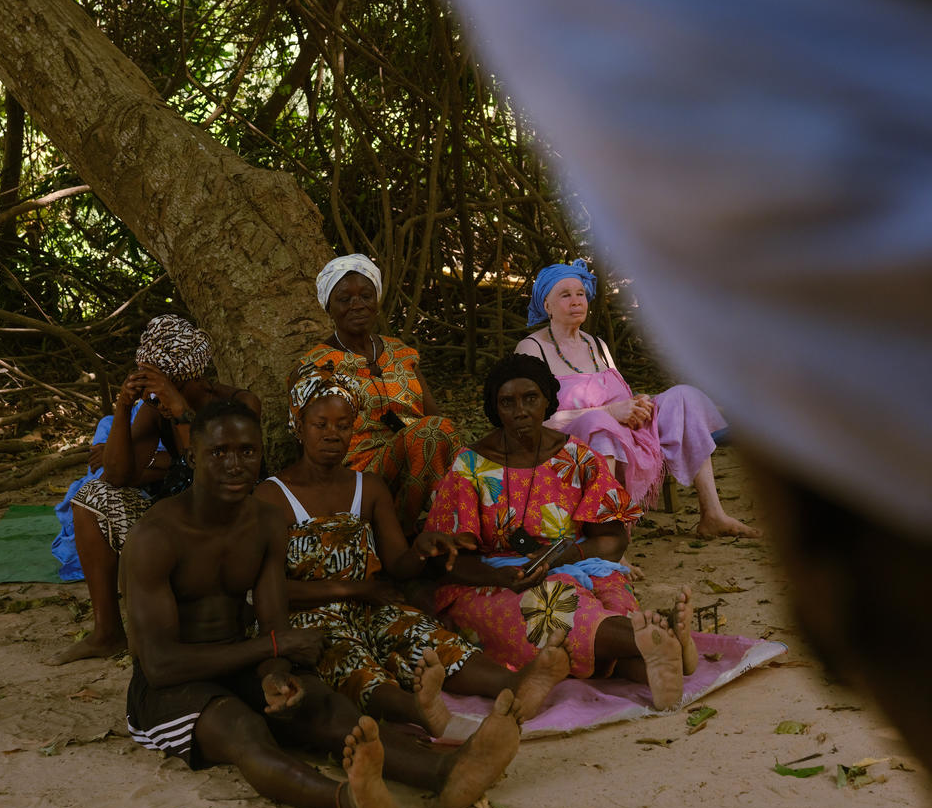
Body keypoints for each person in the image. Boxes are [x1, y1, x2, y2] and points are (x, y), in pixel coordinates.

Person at [404, 0, 932, 808]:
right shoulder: (481, 455)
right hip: (528, 579)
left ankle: (650, 602)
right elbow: (457, 558)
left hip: (588, 536)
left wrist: (608, 441)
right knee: (554, 629)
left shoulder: (578, 376)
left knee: (644, 477)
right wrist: (536, 551)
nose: (566, 323)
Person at [121, 398, 527, 808]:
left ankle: (444, 773)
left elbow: (273, 616)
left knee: (328, 709)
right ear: (192, 457)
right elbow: (161, 663)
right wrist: (272, 647)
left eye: (246, 452)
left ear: (261, 454)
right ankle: (349, 802)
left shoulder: (263, 521)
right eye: (218, 452)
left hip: (241, 657)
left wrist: (274, 673)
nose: (234, 464)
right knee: (243, 730)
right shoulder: (156, 536)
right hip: (171, 686)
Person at [254, 362, 570, 734]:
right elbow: (270, 592)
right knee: (350, 660)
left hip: (373, 606)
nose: (332, 435)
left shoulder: (367, 487)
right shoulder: (272, 496)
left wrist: (421, 548)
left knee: (429, 640)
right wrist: (356, 589)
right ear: (299, 426)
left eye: (342, 426)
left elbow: (399, 565)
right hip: (311, 616)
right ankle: (424, 713)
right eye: (320, 425)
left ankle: (516, 685)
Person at [426, 354, 699, 711]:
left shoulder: (578, 458)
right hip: (496, 582)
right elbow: (449, 560)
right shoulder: (469, 466)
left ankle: (651, 652)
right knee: (554, 609)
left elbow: (613, 539)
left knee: (609, 599)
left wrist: (568, 555)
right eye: (507, 402)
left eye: (530, 398)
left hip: (578, 564)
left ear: (547, 401)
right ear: (494, 409)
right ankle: (659, 640)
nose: (520, 410)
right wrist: (503, 576)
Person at [55, 314, 260, 664]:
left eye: (159, 384)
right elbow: (115, 476)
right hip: (173, 528)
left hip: (226, 529)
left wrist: (182, 414)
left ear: (188, 377)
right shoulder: (154, 409)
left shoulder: (240, 405)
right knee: (90, 498)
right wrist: (123, 407)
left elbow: (215, 481)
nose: (153, 396)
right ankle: (107, 632)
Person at [515, 260, 758, 537]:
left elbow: (620, 396)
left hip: (622, 430)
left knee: (683, 397)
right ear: (546, 305)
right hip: (570, 442)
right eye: (565, 295)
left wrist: (637, 403)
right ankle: (610, 536)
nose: (576, 301)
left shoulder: (597, 345)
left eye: (580, 293)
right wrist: (608, 412)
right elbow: (532, 420)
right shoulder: (532, 349)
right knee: (600, 423)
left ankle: (713, 514)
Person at [298, 253, 460, 534]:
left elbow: (435, 416)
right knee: (429, 434)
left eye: (365, 295)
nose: (357, 305)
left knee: (443, 437)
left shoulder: (401, 351)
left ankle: (455, 526)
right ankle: (402, 534)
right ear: (329, 308)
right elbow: (309, 439)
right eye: (344, 299)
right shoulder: (317, 365)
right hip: (357, 472)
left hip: (420, 461)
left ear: (377, 300)